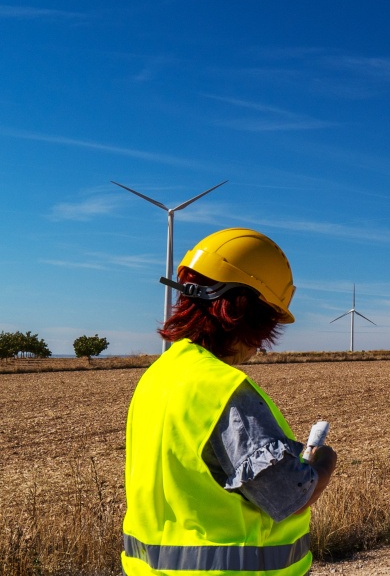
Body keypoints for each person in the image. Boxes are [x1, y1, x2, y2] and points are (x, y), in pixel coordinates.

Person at [121, 228, 337, 576]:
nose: (261, 345)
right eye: (264, 326)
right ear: (240, 311)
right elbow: (290, 496)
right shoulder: (223, 389)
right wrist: (324, 463)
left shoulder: (156, 378)